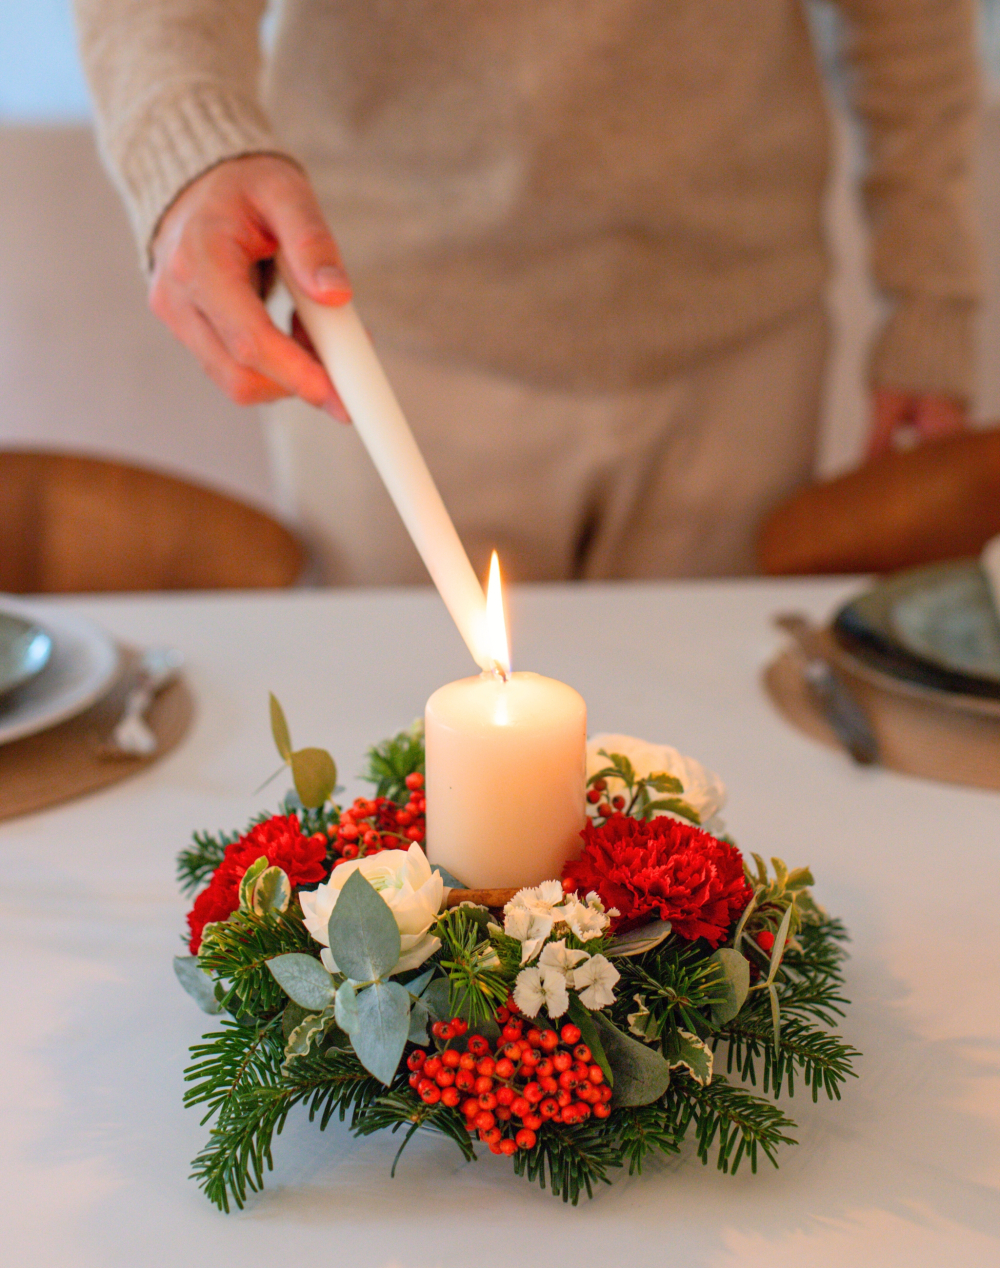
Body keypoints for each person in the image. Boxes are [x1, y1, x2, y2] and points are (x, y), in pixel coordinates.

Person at [73, 1, 981, 584]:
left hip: (739, 336)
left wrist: (930, 296)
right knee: (394, 767)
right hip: (390, 338)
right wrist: (187, 150)